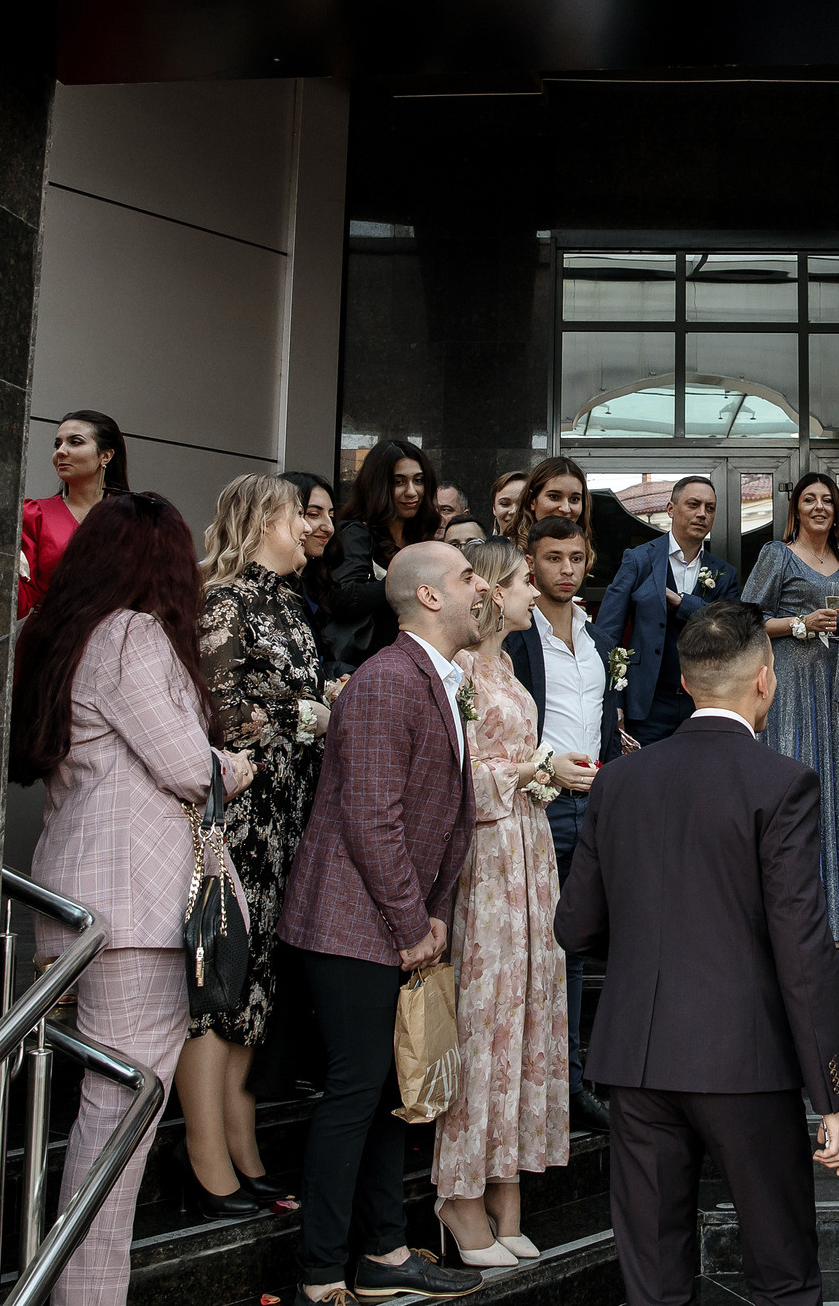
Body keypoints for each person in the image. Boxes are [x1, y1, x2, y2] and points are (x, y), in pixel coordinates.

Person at [554, 600, 839, 1306]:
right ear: (764, 679)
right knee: (782, 1274)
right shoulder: (781, 782)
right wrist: (833, 1094)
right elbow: (803, 948)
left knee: (654, 1283)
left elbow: (575, 926)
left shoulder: (620, 779)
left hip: (637, 1058)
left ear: (686, 684)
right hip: (744, 1062)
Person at [10, 491, 259, 1306]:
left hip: (85, 890)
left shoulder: (66, 632)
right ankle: (86, 1293)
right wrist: (236, 766)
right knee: (121, 1112)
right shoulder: (131, 633)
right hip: (135, 899)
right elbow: (187, 766)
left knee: (109, 1103)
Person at [281, 541, 489, 1305]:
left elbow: (444, 816)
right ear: (429, 597)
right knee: (354, 1092)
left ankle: (385, 1253)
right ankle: (320, 1274)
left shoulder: (441, 679)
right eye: (469, 576)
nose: (481, 587)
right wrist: (414, 922)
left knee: (383, 1092)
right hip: (349, 921)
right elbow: (372, 816)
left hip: (393, 916)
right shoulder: (386, 680)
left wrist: (432, 913)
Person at [433, 537, 596, 1268]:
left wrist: (549, 771)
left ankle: (507, 1190)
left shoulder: (501, 664)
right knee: (486, 1019)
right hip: (489, 860)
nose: (540, 591)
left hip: (528, 854)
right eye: (527, 580)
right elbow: (452, 776)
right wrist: (540, 767)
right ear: (493, 590)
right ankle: (459, 1195)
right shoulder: (463, 667)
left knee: (528, 1016)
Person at [180, 474, 324, 1216]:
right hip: (239, 821)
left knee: (255, 992)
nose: (309, 527)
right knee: (220, 987)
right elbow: (216, 710)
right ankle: (207, 1162)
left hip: (286, 817)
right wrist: (314, 716)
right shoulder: (225, 597)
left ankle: (243, 1149)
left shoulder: (292, 605)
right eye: (297, 515)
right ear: (262, 519)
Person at [504, 516, 623, 1133]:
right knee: (530, 948)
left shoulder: (597, 636)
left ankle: (571, 1083)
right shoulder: (514, 638)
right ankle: (529, 1082)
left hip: (592, 804)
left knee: (574, 946)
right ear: (531, 562)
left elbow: (602, 721)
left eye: (576, 557)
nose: (566, 568)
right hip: (536, 804)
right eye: (553, 558)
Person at [744, 473, 839, 947]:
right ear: (795, 510)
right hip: (791, 688)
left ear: (837, 511)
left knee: (834, 796)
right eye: (809, 500)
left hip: (836, 685)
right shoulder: (776, 555)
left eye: (827, 501)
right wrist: (800, 623)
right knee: (792, 797)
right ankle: (787, 924)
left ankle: (836, 921)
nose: (819, 507)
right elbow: (748, 618)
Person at [602, 475, 735, 749]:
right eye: (693, 504)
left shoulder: (724, 574)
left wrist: (682, 602)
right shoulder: (639, 559)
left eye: (710, 508)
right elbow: (608, 634)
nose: (702, 514)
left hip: (702, 702)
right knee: (646, 785)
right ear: (671, 509)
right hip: (646, 703)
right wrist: (613, 702)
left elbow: (731, 631)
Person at [328, 438, 446, 671]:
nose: (411, 492)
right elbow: (345, 595)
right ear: (377, 486)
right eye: (398, 482)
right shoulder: (357, 534)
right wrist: (406, 583)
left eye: (419, 480)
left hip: (416, 665)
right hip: (369, 668)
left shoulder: (420, 539)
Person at [18, 409, 127, 617]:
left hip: (112, 639)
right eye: (57, 444)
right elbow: (19, 602)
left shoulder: (135, 517)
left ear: (106, 455)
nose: (61, 451)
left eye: (75, 442)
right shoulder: (35, 514)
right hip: (48, 640)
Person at [281, 470, 354, 681]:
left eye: (331, 516)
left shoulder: (312, 581)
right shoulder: (243, 592)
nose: (328, 527)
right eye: (313, 514)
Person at [490, 469, 529, 540]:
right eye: (505, 504)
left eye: (522, 503)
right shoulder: (480, 550)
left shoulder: (545, 548)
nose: (514, 511)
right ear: (494, 508)